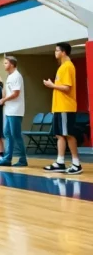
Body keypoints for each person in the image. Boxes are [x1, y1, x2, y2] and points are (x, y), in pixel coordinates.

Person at [43, 42, 82, 175]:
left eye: (57, 50)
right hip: (59, 107)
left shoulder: (67, 67)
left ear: (63, 52)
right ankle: (60, 162)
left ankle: (76, 163)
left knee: (68, 134)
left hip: (66, 106)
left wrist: (52, 85)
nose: (55, 53)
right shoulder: (62, 67)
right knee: (59, 135)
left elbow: (67, 88)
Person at [0, 56, 27, 167]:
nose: (4, 65)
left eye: (6, 63)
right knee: (7, 134)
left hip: (15, 110)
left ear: (11, 64)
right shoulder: (10, 76)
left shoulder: (16, 76)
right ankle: (7, 158)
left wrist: (4, 100)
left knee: (16, 134)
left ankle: (23, 159)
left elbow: (16, 93)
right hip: (9, 110)